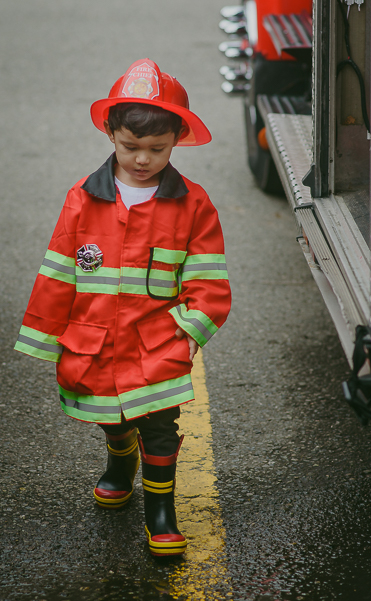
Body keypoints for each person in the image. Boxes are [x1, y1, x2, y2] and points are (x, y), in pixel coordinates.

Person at [14, 58, 231, 557]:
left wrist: (184, 335)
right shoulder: (82, 200)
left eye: (157, 149)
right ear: (111, 133)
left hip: (157, 345)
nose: (142, 159)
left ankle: (161, 513)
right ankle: (118, 463)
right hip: (97, 343)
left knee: (159, 424)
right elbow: (58, 272)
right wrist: (51, 340)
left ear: (176, 138)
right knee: (113, 417)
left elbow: (210, 286)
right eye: (131, 147)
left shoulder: (193, 205)